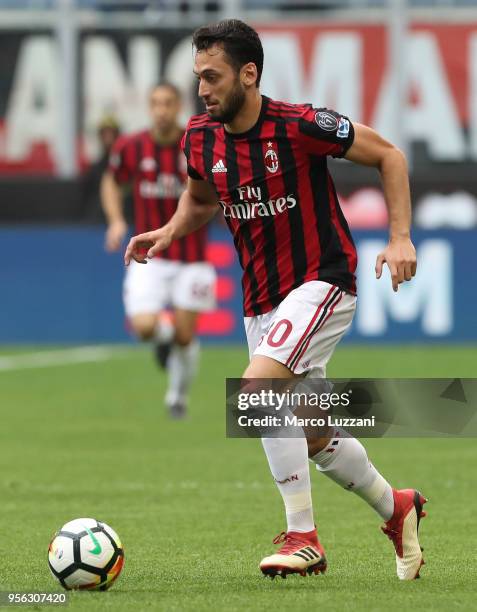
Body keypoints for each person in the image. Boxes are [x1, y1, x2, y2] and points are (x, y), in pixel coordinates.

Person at [124, 21, 425, 580]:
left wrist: (400, 236)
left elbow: (389, 155)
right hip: (260, 302)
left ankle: (303, 537)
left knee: (258, 392)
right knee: (310, 430)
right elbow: (199, 198)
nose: (203, 90)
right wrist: (169, 230)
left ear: (249, 73)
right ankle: (398, 507)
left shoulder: (301, 124)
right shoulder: (200, 137)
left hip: (323, 280)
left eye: (212, 77)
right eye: (198, 79)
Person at [102, 83, 216, 419]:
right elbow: (111, 180)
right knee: (144, 327)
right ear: (149, 107)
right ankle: (163, 340)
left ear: (178, 106)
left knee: (185, 335)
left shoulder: (195, 146)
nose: (161, 110)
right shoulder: (132, 146)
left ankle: (178, 397)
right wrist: (116, 220)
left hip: (192, 258)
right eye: (155, 103)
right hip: (149, 257)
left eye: (167, 103)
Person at [81, 115, 121, 223]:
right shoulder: (94, 169)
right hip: (96, 224)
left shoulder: (127, 167)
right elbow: (85, 200)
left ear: (118, 135)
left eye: (111, 133)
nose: (108, 137)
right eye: (104, 133)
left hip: (125, 224)